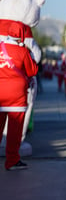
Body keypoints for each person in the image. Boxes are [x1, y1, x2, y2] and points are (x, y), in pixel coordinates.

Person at [0, 24, 38, 170]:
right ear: (21, 35)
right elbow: (32, 70)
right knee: (14, 131)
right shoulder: (22, 51)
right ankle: (12, 161)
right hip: (16, 97)